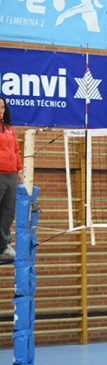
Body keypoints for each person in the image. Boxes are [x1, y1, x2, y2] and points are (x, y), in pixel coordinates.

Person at [0, 96, 22, 262]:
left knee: (8, 212)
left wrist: (19, 170)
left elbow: (16, 150)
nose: (0, 111)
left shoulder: (9, 128)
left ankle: (3, 247)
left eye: (2, 108)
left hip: (11, 175)